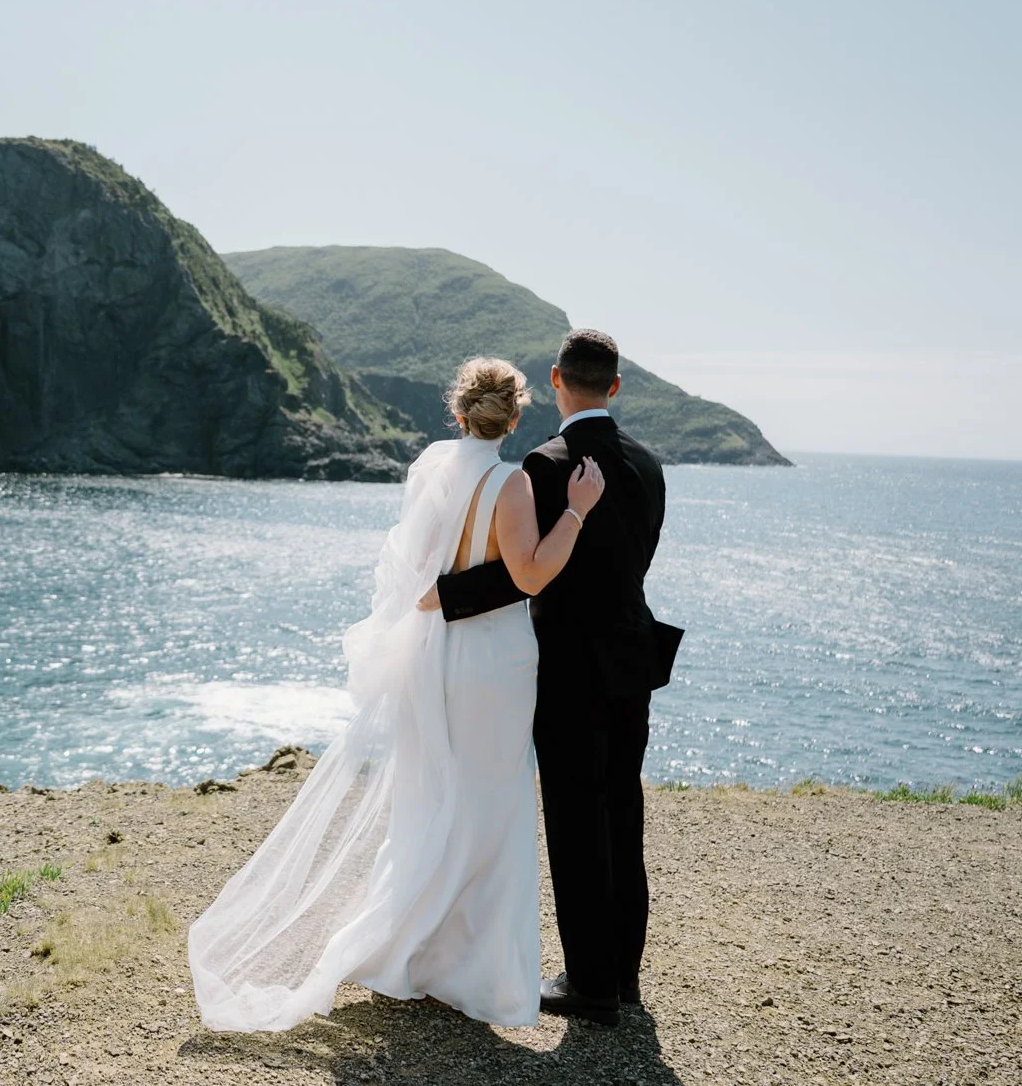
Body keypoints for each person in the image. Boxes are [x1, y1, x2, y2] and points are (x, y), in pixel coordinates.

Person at [188, 357, 606, 1031]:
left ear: (459, 412)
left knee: (432, 799)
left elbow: (418, 579)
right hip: (495, 663)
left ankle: (408, 950)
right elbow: (529, 575)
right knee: (490, 809)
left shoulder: (431, 470)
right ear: (516, 416)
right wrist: (577, 513)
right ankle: (472, 970)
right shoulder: (512, 483)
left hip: (435, 653)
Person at [428, 328, 681, 1028]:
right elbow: (632, 562)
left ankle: (592, 983)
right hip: (633, 657)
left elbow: (522, 573)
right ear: (617, 385)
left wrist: (438, 598)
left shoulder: (545, 463)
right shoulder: (650, 465)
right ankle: (624, 975)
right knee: (623, 812)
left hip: (569, 664)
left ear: (557, 379)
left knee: (575, 818)